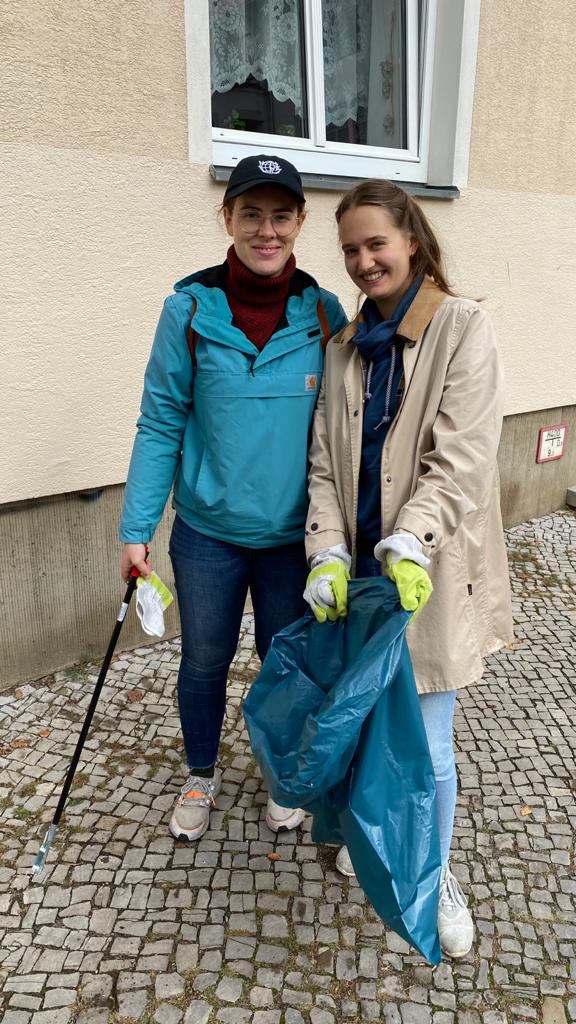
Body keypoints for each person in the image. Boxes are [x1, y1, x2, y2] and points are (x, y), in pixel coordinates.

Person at [303, 180, 513, 958]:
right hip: (359, 580)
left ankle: (432, 873)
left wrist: (410, 540)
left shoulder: (463, 327)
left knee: (425, 737)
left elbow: (463, 456)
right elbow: (323, 465)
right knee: (363, 720)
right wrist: (326, 549)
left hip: (427, 571)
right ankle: (371, 841)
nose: (363, 261)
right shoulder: (342, 347)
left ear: (412, 242)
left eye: (376, 244)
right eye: (350, 249)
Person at [119, 154, 347, 844]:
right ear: (227, 219)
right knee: (204, 663)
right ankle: (199, 773)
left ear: (300, 222)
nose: (266, 230)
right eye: (251, 214)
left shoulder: (324, 314)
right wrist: (137, 528)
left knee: (286, 667)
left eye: (280, 216)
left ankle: (281, 774)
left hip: (291, 540)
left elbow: (344, 429)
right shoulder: (188, 310)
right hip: (207, 536)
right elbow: (161, 421)